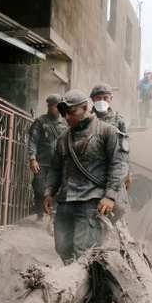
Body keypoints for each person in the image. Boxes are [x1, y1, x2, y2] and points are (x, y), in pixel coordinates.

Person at [44, 89, 129, 264]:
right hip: (66, 201)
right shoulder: (63, 138)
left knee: (84, 252)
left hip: (92, 202)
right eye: (63, 113)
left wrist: (110, 196)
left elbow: (118, 165)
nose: (66, 117)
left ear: (85, 108)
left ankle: (85, 288)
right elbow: (55, 168)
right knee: (63, 248)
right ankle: (73, 284)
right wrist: (49, 192)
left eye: (71, 112)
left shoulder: (107, 132)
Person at [27, 94, 67, 219]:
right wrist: (33, 158)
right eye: (55, 106)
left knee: (57, 190)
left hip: (58, 165)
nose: (57, 109)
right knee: (39, 186)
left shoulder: (65, 124)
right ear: (49, 106)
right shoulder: (40, 122)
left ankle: (52, 216)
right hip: (42, 163)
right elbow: (33, 141)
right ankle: (39, 214)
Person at [90, 83, 132, 190]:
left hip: (113, 169)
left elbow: (124, 149)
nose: (102, 101)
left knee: (114, 202)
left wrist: (128, 172)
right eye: (98, 98)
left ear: (111, 99)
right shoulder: (86, 119)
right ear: (92, 99)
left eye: (105, 98)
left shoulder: (119, 121)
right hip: (90, 169)